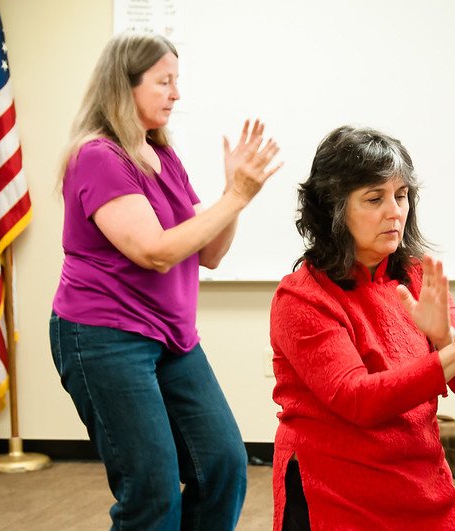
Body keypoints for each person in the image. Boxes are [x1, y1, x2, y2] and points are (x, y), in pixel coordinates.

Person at [49, 32, 281, 530]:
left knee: (222, 464)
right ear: (123, 86)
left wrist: (230, 193)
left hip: (171, 337)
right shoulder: (98, 157)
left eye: (177, 81)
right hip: (104, 337)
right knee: (152, 490)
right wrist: (234, 197)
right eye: (164, 82)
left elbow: (211, 253)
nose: (176, 94)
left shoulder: (163, 156)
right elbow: (153, 251)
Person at [269, 125, 455, 530]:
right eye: (374, 198)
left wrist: (446, 339)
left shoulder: (416, 275)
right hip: (338, 490)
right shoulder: (300, 298)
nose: (394, 212)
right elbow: (359, 400)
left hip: (420, 484)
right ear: (332, 208)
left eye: (401, 196)